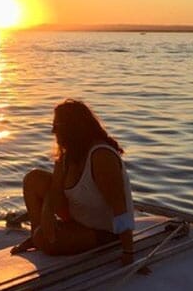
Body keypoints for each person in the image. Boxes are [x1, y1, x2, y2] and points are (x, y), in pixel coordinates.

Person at [11, 99, 135, 264]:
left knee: (45, 240)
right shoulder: (68, 155)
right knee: (33, 179)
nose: (52, 131)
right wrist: (47, 213)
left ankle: (41, 237)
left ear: (72, 128)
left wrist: (128, 251)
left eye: (56, 126)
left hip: (105, 231)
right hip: (79, 219)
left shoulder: (100, 156)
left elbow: (120, 207)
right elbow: (55, 190)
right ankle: (36, 235)